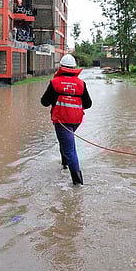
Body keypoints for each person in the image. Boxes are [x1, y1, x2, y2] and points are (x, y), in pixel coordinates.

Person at [41, 54, 92, 185]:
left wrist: (57, 98)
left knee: (70, 149)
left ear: (61, 67)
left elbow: (44, 102)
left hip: (61, 121)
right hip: (76, 121)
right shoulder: (81, 84)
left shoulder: (55, 83)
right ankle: (64, 165)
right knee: (65, 142)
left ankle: (78, 184)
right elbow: (88, 104)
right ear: (74, 67)